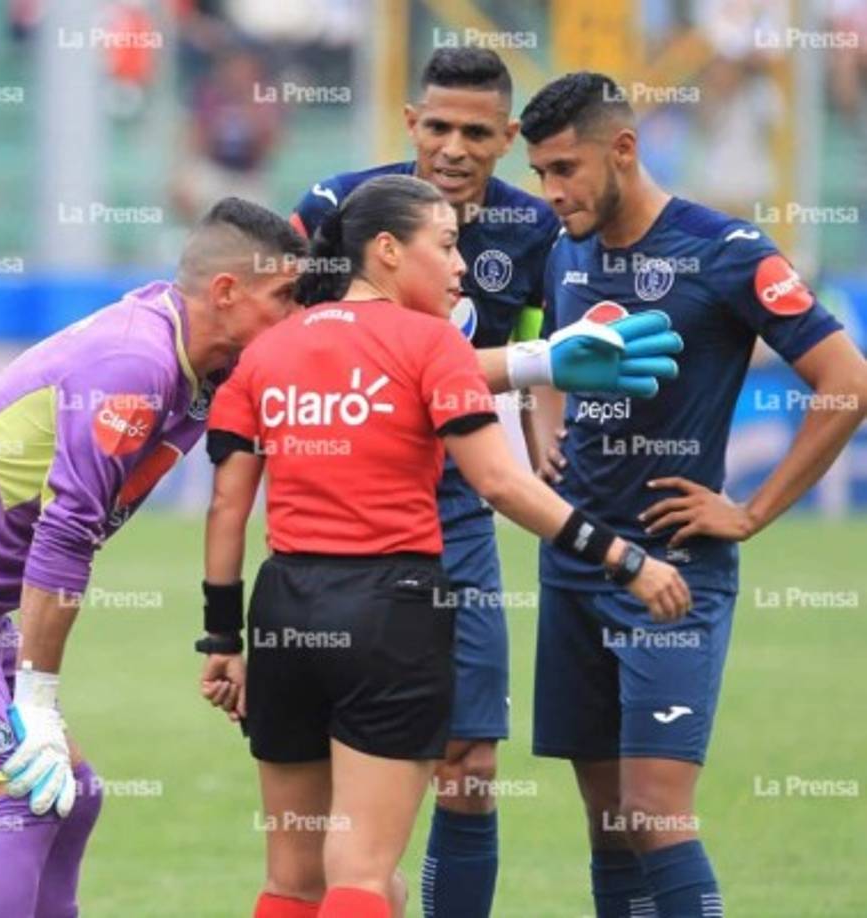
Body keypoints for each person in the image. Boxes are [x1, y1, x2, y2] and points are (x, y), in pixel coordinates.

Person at [197, 174, 693, 918]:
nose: (462, 267)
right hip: (391, 615)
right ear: (389, 251)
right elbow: (499, 483)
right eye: (448, 244)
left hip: (284, 612)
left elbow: (227, 507)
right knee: (363, 874)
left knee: (294, 879)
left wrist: (221, 637)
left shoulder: (269, 352)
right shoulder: (433, 345)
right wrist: (622, 556)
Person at [0, 198, 307, 918]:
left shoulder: (191, 351)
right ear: (227, 294)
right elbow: (65, 531)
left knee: (73, 796)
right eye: (287, 300)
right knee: (27, 799)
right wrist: (37, 705)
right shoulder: (134, 363)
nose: (297, 319)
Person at [288, 48, 665, 917]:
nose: (454, 147)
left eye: (477, 133)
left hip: (455, 504)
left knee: (471, 768)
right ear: (411, 120)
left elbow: (536, 322)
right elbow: (310, 340)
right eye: (438, 126)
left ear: (506, 140)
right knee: (331, 796)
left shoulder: (535, 229)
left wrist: (540, 409)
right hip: (347, 512)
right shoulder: (339, 206)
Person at [520, 72, 867, 918]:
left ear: (624, 151)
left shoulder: (727, 252)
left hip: (672, 573)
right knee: (608, 824)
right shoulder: (566, 242)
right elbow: (548, 341)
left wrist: (748, 511)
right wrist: (541, 411)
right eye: (540, 173)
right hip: (572, 561)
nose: (552, 191)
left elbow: (845, 380)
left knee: (654, 811)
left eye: (566, 168)